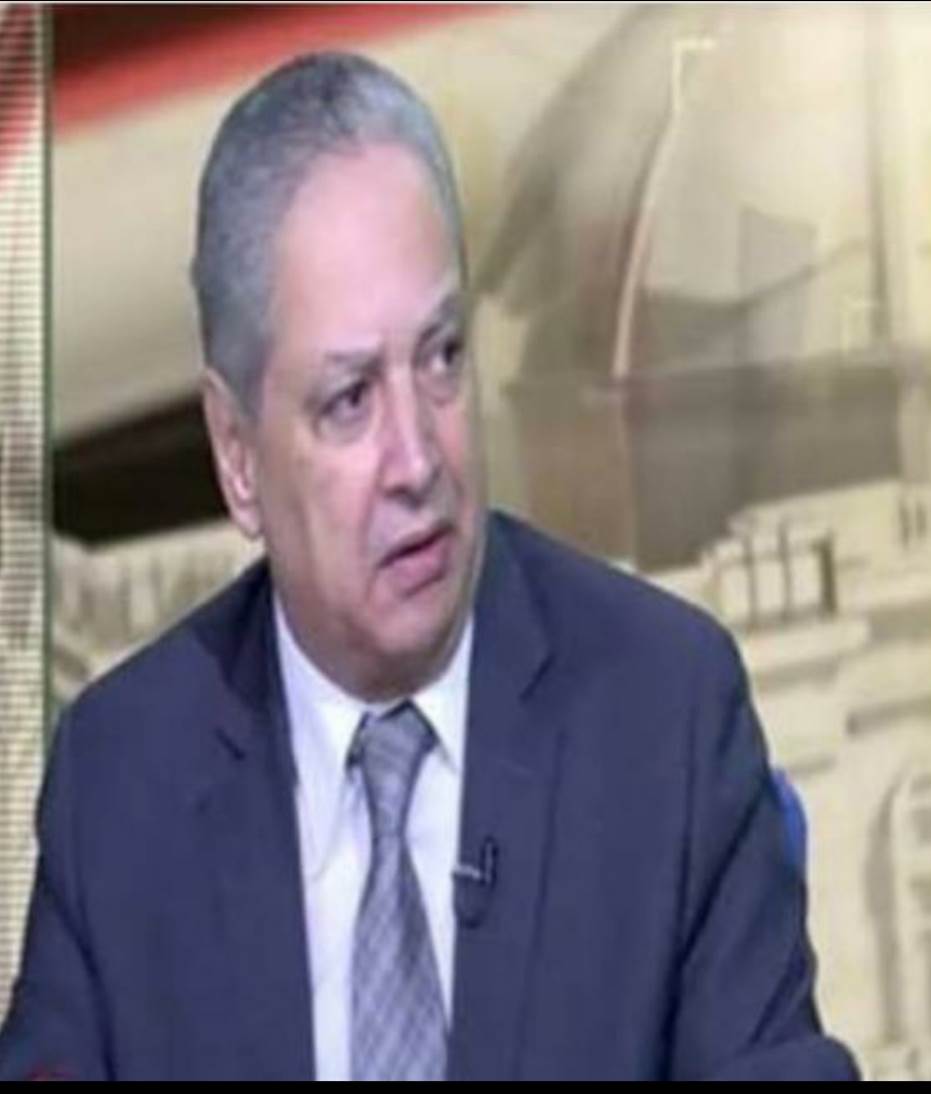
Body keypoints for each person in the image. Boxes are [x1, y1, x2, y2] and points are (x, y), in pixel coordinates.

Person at [0, 53, 858, 1080]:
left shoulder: (662, 717)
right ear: (237, 455)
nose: (417, 459)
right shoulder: (120, 782)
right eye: (349, 399)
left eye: (443, 356)